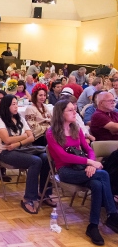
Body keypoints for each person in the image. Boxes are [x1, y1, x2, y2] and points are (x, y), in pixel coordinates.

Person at [46, 100, 118, 246]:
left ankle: (92, 226)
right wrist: (89, 163)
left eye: (74, 109)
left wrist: (90, 163)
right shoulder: (51, 132)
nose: (75, 113)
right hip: (65, 171)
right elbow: (63, 157)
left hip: (81, 168)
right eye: (70, 110)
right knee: (103, 174)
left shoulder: (76, 128)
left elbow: (89, 149)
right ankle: (113, 214)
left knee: (97, 184)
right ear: (61, 113)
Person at [0, 95, 54, 214]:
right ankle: (28, 198)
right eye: (13, 104)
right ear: (6, 106)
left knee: (46, 157)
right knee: (35, 161)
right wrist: (24, 136)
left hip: (23, 149)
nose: (16, 106)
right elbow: (7, 140)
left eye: (16, 103)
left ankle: (44, 192)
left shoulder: (20, 118)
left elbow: (31, 137)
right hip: (6, 153)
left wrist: (18, 143)